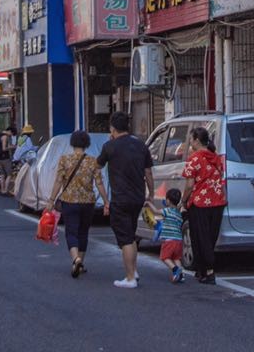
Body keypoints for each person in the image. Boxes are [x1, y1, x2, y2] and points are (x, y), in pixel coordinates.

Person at [97, 111, 154, 289]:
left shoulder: (109, 147)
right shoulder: (141, 146)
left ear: (112, 128)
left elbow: (96, 168)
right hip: (137, 197)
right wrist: (150, 194)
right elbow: (148, 173)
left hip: (120, 198)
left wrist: (104, 196)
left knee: (125, 239)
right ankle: (134, 271)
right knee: (131, 234)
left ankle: (129, 278)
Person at [48, 130, 108, 279]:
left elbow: (58, 181)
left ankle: (76, 259)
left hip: (69, 201)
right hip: (88, 202)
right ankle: (80, 263)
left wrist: (51, 200)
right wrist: (106, 201)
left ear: (72, 143)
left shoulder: (64, 159)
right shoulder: (92, 161)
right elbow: (99, 183)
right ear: (86, 144)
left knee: (71, 232)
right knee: (83, 232)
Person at [181, 126, 227, 285]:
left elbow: (189, 184)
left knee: (199, 237)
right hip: (218, 201)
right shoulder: (216, 158)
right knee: (210, 236)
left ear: (196, 140)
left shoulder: (194, 159)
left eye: (191, 139)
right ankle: (203, 270)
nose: (190, 142)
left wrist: (183, 200)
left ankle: (208, 270)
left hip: (200, 202)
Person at [157, 188, 187, 284]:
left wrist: (148, 205)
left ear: (168, 200)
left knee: (165, 257)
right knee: (176, 258)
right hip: (178, 240)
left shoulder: (167, 211)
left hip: (169, 240)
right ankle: (181, 275)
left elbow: (156, 212)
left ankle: (175, 270)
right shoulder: (178, 213)